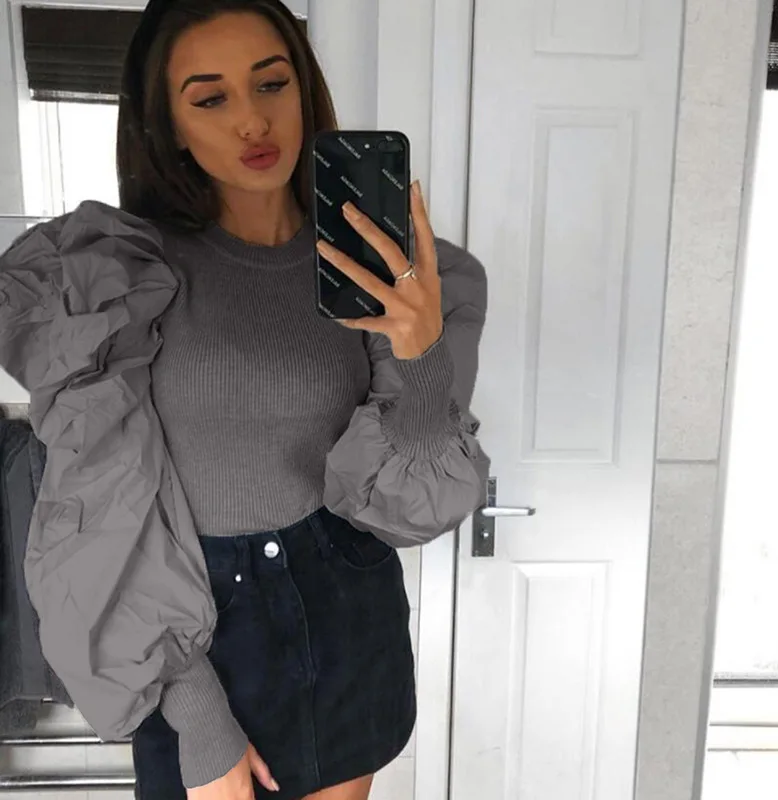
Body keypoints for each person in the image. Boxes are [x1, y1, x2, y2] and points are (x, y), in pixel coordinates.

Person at [0, 0, 488, 798]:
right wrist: (197, 712)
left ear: (304, 88)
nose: (253, 121)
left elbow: (407, 512)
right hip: (194, 627)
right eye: (210, 97)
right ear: (167, 125)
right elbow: (102, 516)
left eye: (271, 83)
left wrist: (421, 350)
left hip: (346, 605)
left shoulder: (391, 274)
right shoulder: (117, 276)